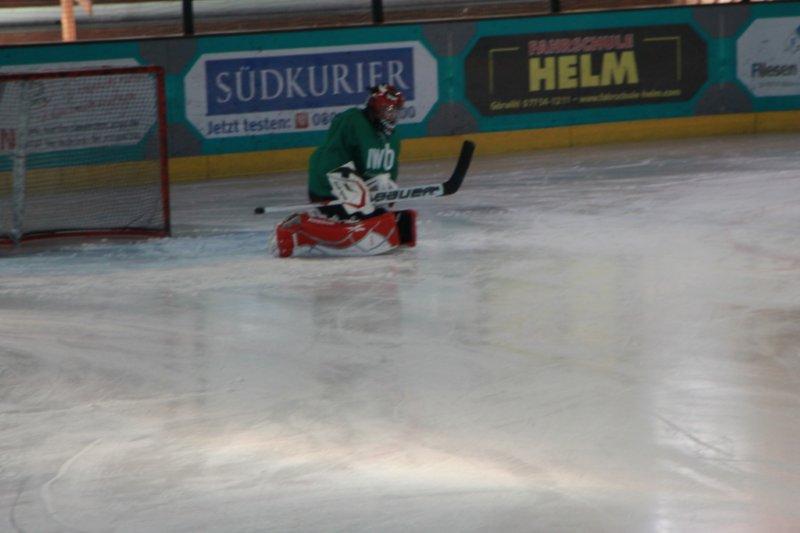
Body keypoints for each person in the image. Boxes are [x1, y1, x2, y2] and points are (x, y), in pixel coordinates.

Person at [273, 84, 416, 257]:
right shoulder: (352, 120)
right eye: (387, 110)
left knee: (384, 205)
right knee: (364, 219)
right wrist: (355, 191)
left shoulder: (393, 139)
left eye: (395, 112)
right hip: (329, 182)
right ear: (375, 107)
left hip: (359, 187)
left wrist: (386, 194)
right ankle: (299, 227)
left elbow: (389, 173)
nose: (391, 116)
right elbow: (331, 159)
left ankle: (350, 221)